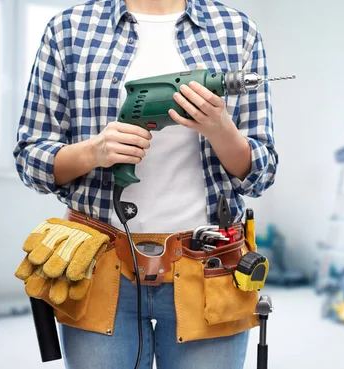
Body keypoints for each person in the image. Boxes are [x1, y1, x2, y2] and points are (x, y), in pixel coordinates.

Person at [14, 0, 277, 368]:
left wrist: (220, 129)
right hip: (99, 267)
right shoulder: (69, 29)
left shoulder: (236, 30)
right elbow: (30, 159)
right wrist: (94, 151)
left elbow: (261, 172)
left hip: (210, 267)